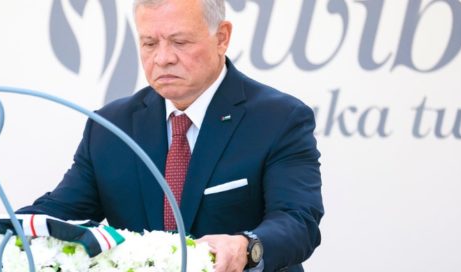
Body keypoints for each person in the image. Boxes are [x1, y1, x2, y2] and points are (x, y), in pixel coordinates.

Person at [16, 0, 323, 271]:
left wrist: (246, 247)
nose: (162, 58)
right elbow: (58, 213)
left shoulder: (280, 119)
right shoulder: (110, 126)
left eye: (180, 42)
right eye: (149, 43)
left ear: (222, 37)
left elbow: (298, 222)